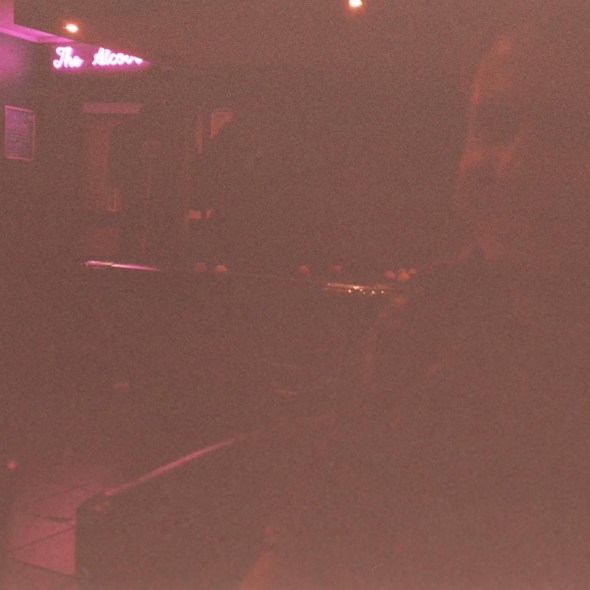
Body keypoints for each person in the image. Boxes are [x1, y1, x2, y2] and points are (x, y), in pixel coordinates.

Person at [238, 17, 590, 590]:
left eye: (572, 130)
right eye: (494, 126)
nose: (517, 168)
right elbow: (317, 534)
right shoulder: (430, 313)